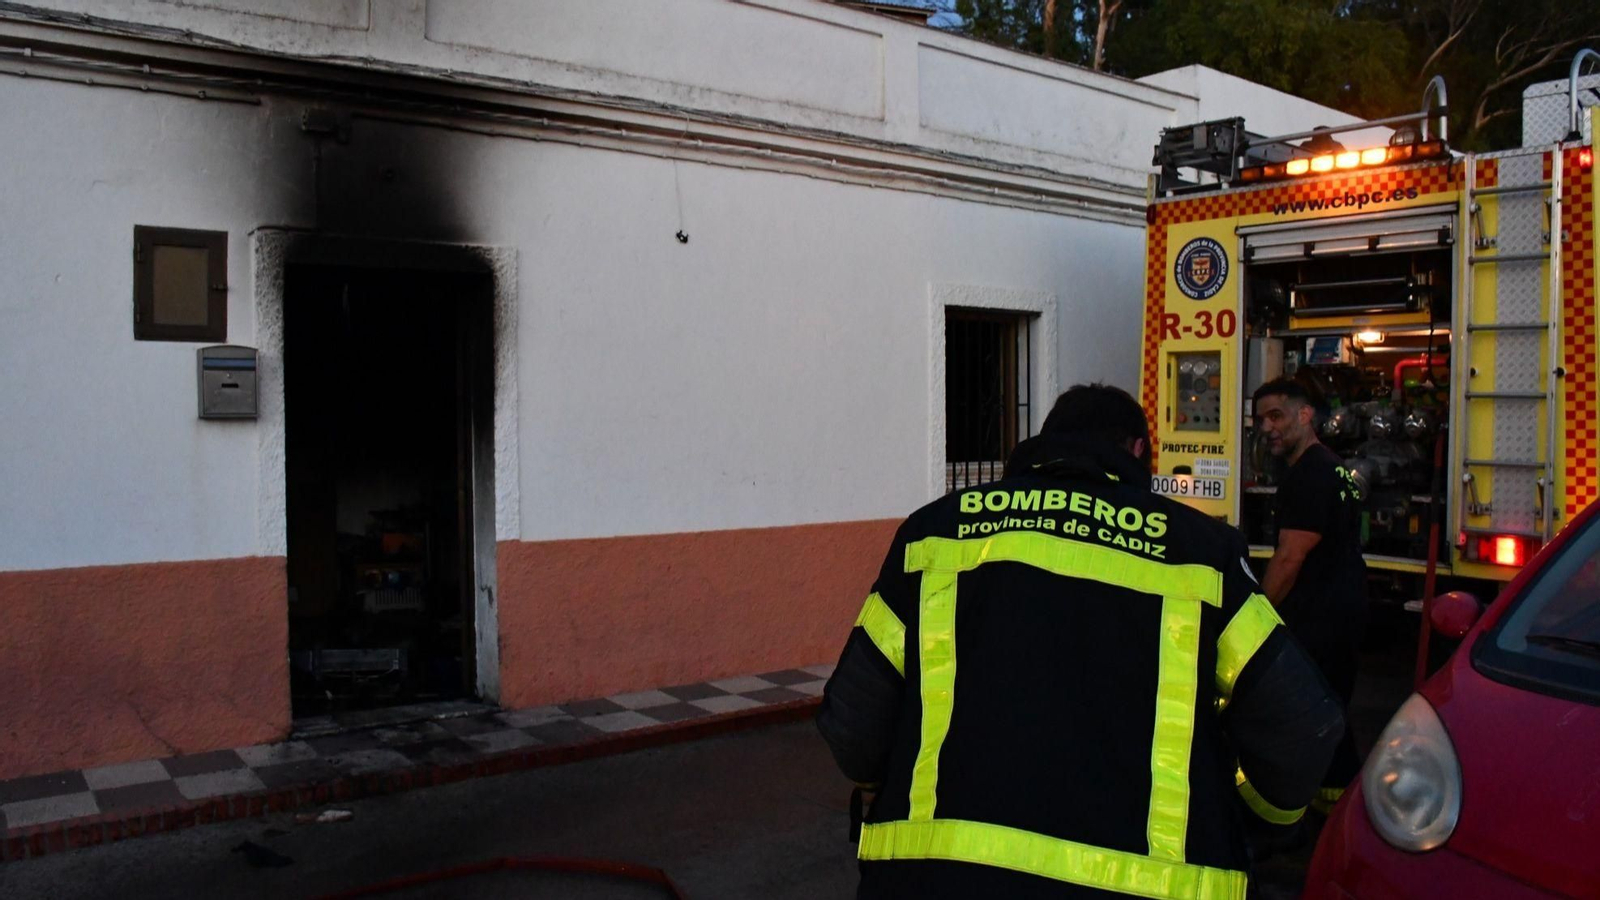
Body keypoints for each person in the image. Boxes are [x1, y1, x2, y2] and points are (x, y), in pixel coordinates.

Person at [817, 383, 1344, 900]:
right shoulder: (1200, 551)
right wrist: (1255, 820)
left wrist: (873, 784)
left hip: (929, 880)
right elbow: (1302, 728)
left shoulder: (933, 533)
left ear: (1046, 440)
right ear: (1139, 450)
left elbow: (854, 716)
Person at [1251, 377, 1368, 813]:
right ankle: (1334, 807)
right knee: (1329, 708)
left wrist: (1257, 611)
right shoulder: (1334, 467)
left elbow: (1289, 558)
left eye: (1277, 416)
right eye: (1261, 419)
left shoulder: (1308, 476)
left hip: (1319, 619)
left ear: (1306, 415)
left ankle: (1325, 813)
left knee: (1308, 712)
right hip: (1342, 612)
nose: (1267, 427)